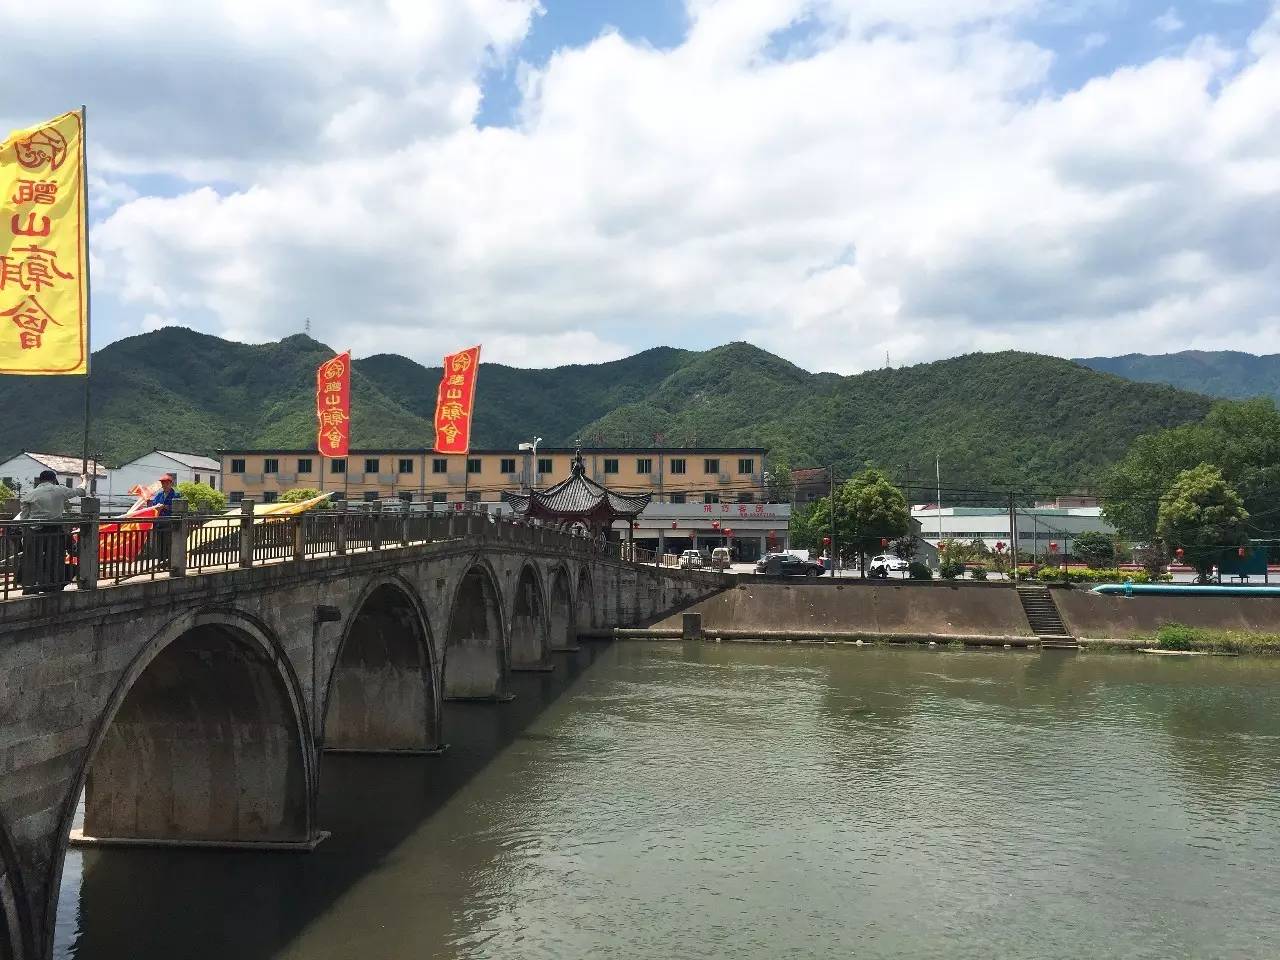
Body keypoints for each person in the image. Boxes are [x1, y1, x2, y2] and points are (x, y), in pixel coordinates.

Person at [16, 470, 88, 595]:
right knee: (55, 559)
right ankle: (53, 586)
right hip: (55, 532)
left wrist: (24, 536)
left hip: (34, 533)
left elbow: (24, 518)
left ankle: (30, 588)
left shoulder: (30, 494)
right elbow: (81, 491)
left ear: (40, 480)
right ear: (54, 479)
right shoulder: (59, 490)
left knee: (33, 560)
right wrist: (84, 480)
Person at [147, 473, 179, 566]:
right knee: (159, 542)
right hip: (159, 522)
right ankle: (161, 561)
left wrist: (165, 507)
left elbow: (177, 508)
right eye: (163, 483)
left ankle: (169, 561)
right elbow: (154, 505)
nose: (164, 485)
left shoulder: (176, 495)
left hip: (170, 522)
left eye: (166, 483)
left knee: (169, 542)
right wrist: (156, 507)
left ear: (170, 484)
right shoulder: (159, 495)